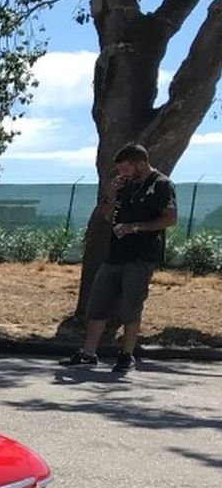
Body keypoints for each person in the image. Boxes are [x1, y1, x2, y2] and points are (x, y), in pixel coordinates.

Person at [62, 143, 178, 373]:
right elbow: (108, 216)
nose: (122, 174)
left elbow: (170, 218)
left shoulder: (161, 185)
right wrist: (112, 194)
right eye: (120, 170)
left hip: (140, 257)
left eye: (126, 169)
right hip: (115, 255)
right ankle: (88, 354)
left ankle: (126, 355)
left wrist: (135, 227)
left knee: (130, 307)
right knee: (98, 304)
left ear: (142, 164)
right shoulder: (125, 186)